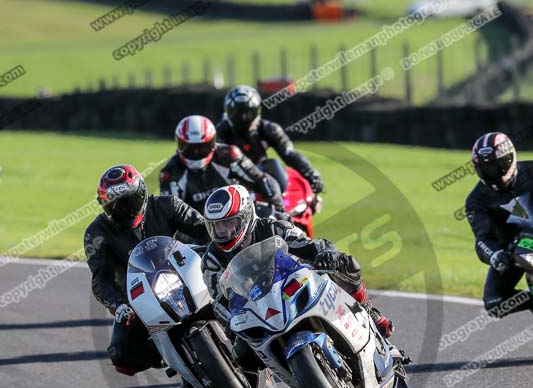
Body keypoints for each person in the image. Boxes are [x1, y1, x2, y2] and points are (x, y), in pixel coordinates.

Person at [201, 184, 393, 339]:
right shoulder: (211, 259)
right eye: (216, 226)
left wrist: (325, 254)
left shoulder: (273, 228)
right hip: (256, 308)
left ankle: (369, 312)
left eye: (229, 223)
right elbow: (219, 300)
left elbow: (309, 244)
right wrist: (231, 322)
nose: (223, 232)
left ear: (246, 216)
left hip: (292, 283)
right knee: (240, 353)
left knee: (346, 264)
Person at [84, 164, 208, 378]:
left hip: (182, 273)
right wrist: (118, 304)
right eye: (112, 206)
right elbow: (100, 279)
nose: (121, 210)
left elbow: (204, 228)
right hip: (138, 298)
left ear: (141, 194)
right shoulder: (96, 234)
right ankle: (171, 358)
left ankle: (243, 336)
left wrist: (217, 250)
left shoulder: (168, 205)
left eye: (126, 202)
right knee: (121, 355)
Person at [159, 115, 285, 215]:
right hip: (199, 229)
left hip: (239, 216)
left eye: (202, 148)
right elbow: (169, 214)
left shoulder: (229, 155)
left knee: (269, 216)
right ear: (179, 145)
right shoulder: (170, 173)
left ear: (212, 144)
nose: (196, 153)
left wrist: (279, 209)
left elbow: (262, 179)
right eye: (189, 148)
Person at [466, 132, 533, 318]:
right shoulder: (476, 200)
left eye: (498, 166)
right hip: (513, 253)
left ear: (510, 159)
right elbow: (482, 239)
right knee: (495, 303)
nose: (494, 174)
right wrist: (496, 256)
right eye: (487, 169)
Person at [217, 85, 323, 194]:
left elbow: (290, 153)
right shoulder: (221, 132)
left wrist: (311, 174)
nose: (243, 118)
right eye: (238, 113)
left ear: (257, 111)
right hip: (233, 180)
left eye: (248, 113)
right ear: (228, 112)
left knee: (273, 165)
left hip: (261, 176)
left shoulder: (269, 129)